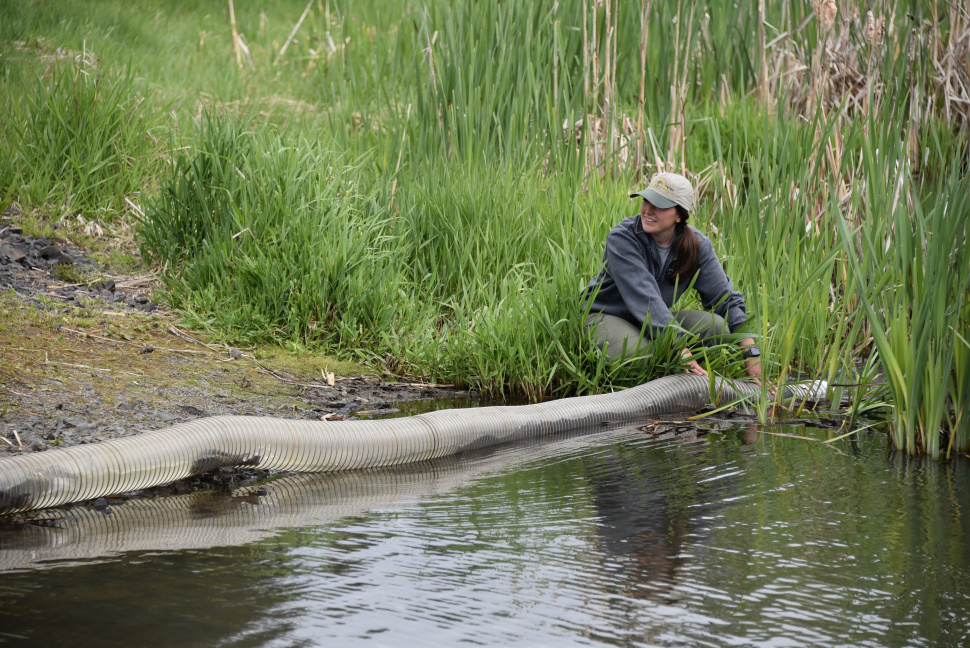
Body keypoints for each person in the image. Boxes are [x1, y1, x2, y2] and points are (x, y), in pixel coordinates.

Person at [582, 172, 763, 383]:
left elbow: (725, 298)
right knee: (638, 354)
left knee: (717, 328)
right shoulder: (622, 239)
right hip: (607, 315)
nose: (648, 209)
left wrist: (751, 352)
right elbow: (646, 299)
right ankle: (669, 366)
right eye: (647, 200)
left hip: (652, 320)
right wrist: (679, 347)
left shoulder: (697, 245)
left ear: (679, 215)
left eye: (659, 205)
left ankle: (679, 365)